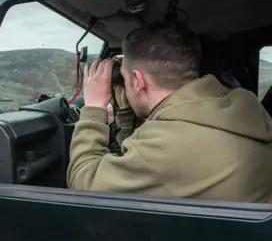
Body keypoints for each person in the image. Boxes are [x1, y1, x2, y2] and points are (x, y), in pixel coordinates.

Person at [66, 21, 272, 203]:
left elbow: (83, 183)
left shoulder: (167, 145)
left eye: (126, 79)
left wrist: (93, 108)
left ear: (138, 82)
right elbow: (144, 160)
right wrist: (126, 114)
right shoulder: (242, 103)